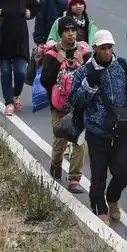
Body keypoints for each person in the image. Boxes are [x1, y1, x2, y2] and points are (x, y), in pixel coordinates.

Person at [68, 30, 127, 224]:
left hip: (121, 128)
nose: (107, 52)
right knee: (99, 172)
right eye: (103, 48)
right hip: (97, 129)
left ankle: (113, 198)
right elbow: (75, 101)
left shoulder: (124, 67)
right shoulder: (83, 72)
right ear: (95, 49)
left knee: (123, 170)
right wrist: (89, 85)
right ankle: (99, 207)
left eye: (110, 47)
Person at [39, 16, 91, 193]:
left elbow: (92, 79)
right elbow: (45, 81)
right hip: (58, 106)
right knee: (60, 139)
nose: (70, 34)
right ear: (60, 33)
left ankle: (74, 178)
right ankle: (56, 164)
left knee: (79, 142)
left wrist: (83, 64)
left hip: (79, 106)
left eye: (73, 30)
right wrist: (57, 62)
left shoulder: (84, 52)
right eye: (67, 31)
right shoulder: (52, 53)